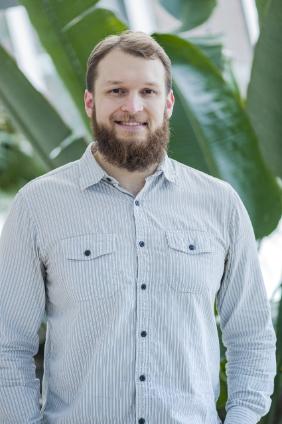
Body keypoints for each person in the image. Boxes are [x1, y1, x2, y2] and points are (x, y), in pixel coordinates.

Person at [0, 30, 276, 424]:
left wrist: (242, 417)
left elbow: (251, 338)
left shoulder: (220, 204)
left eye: (147, 91)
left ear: (168, 103)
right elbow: (7, 348)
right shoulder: (37, 206)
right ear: (90, 102)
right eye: (116, 90)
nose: (133, 106)